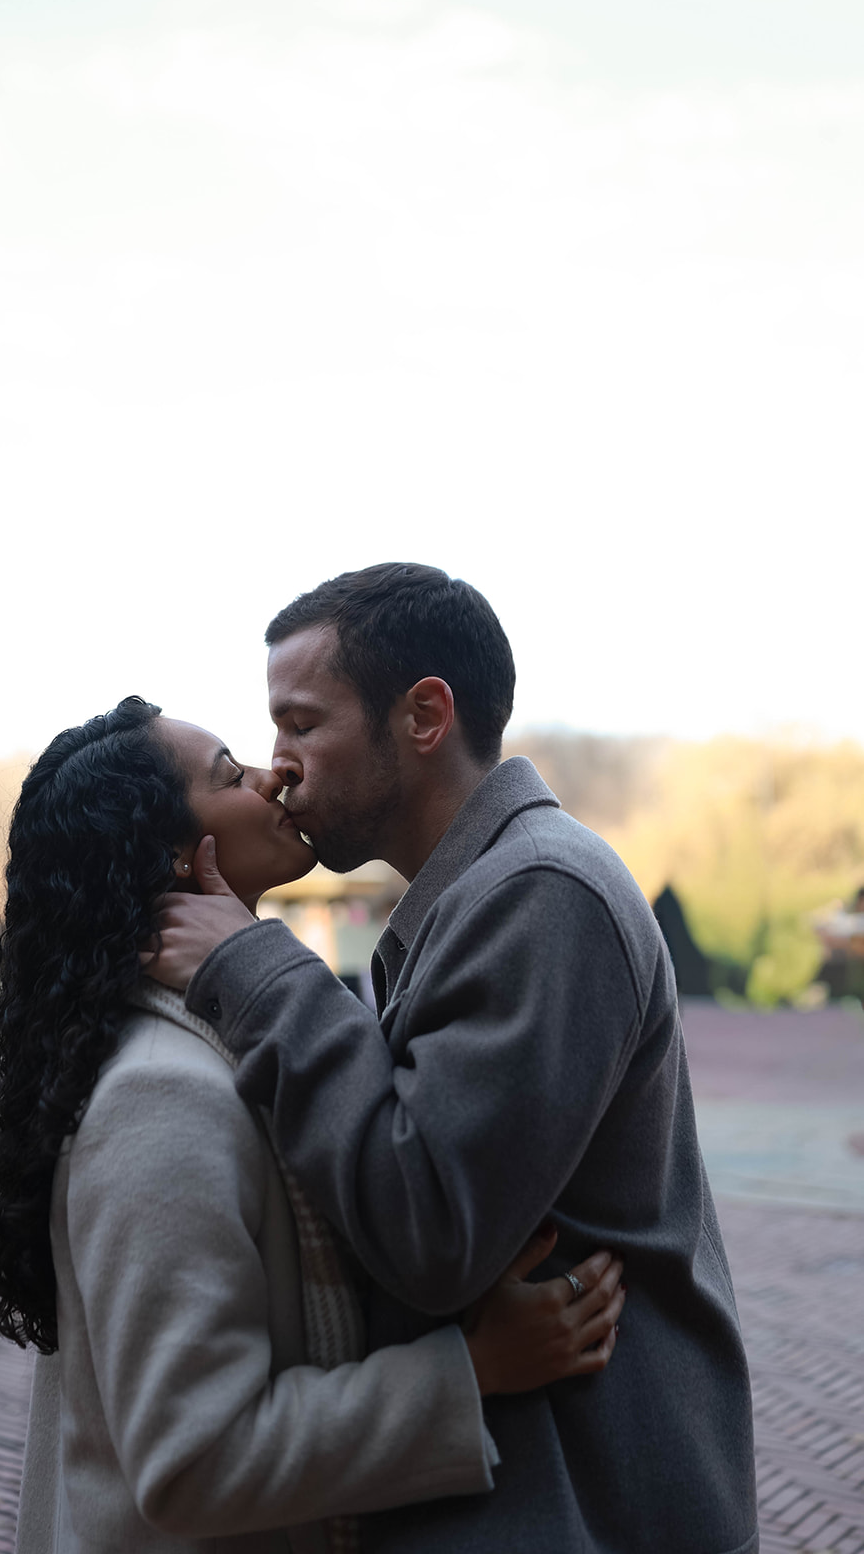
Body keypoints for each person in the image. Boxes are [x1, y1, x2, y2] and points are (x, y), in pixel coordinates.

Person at [153, 563, 760, 1554]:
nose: (279, 764)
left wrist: (253, 970)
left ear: (422, 715)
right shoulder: (479, 896)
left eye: (301, 723)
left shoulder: (543, 895)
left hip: (590, 1517)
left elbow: (430, 1227)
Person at [0, 697, 624, 1554]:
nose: (272, 772)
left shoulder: (207, 1044)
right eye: (229, 773)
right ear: (174, 851)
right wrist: (471, 1370)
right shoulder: (158, 1097)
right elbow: (194, 1459)